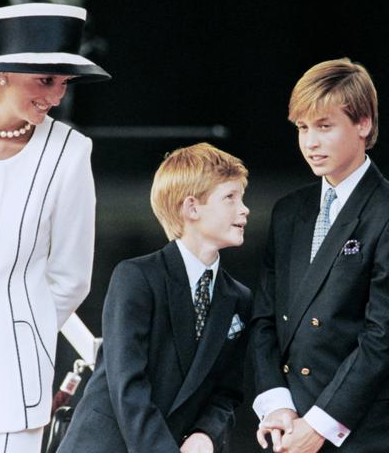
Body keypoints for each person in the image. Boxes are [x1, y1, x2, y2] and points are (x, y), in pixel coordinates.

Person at [0, 2, 110, 452]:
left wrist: (17, 333)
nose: (55, 97)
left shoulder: (70, 152)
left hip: (8, 386)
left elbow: (70, 276)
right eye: (45, 80)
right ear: (2, 74)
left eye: (63, 83)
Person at [250, 58, 389, 452]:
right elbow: (264, 319)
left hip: (360, 430)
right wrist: (277, 405)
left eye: (324, 126)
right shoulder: (288, 212)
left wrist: (318, 425)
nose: (310, 142)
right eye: (302, 128)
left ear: (363, 124)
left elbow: (383, 336)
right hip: (288, 426)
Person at [58, 142, 252, 453]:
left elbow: (226, 392)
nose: (244, 209)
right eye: (230, 198)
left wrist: (205, 433)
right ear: (192, 208)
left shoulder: (239, 298)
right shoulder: (136, 278)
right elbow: (128, 386)